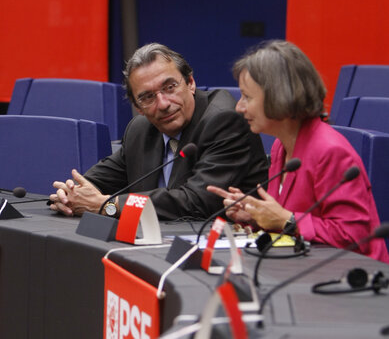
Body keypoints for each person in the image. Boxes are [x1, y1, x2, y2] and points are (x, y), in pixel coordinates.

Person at [208, 40, 389, 262]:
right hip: (307, 266)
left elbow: (353, 236)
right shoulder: (280, 146)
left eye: (248, 97)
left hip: (354, 280)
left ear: (278, 96)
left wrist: (287, 220)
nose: (239, 107)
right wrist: (256, 216)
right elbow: (287, 218)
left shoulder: (330, 152)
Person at [49, 43, 269, 220]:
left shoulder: (224, 120)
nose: (163, 104)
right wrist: (70, 195)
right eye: (148, 97)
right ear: (138, 107)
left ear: (190, 83)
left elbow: (196, 201)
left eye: (170, 87)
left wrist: (108, 206)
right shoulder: (140, 129)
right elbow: (95, 182)